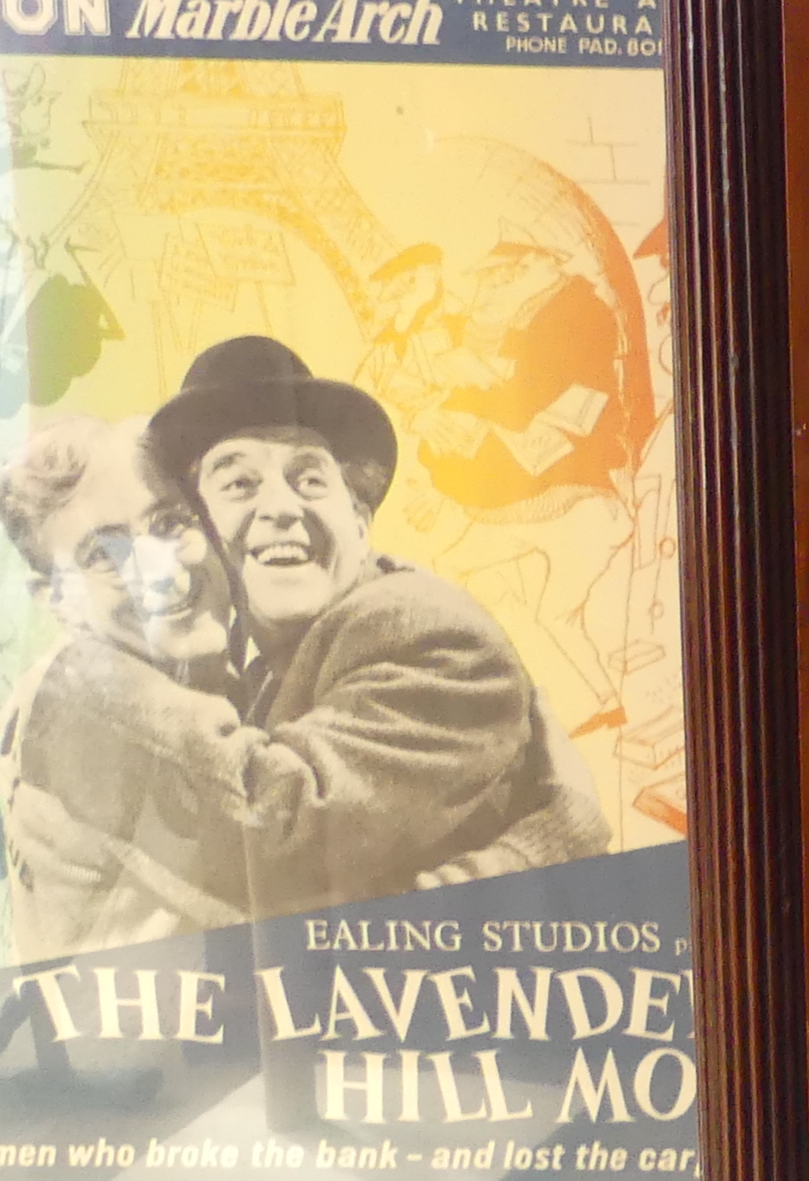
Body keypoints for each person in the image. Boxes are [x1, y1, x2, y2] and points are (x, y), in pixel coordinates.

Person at [27, 336, 609, 918]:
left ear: (359, 522)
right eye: (238, 484)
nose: (280, 508)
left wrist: (84, 678)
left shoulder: (429, 636)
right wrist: (539, 850)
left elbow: (282, 845)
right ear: (209, 535)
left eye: (309, 480)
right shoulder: (262, 678)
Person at [0, 417, 250, 957]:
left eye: (168, 524)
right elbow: (317, 881)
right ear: (57, 599)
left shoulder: (181, 681)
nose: (159, 570)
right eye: (103, 555)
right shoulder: (101, 710)